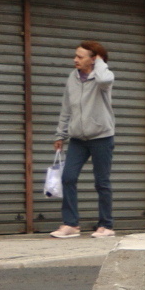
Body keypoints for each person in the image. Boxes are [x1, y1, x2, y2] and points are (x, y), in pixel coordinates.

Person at [50, 40, 116, 239]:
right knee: (68, 177)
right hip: (78, 137)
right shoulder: (73, 77)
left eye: (80, 57)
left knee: (101, 182)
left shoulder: (103, 77)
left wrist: (101, 62)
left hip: (102, 137)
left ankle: (106, 225)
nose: (75, 60)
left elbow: (105, 81)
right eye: (75, 56)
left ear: (93, 59)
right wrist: (60, 134)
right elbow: (66, 107)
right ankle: (71, 224)